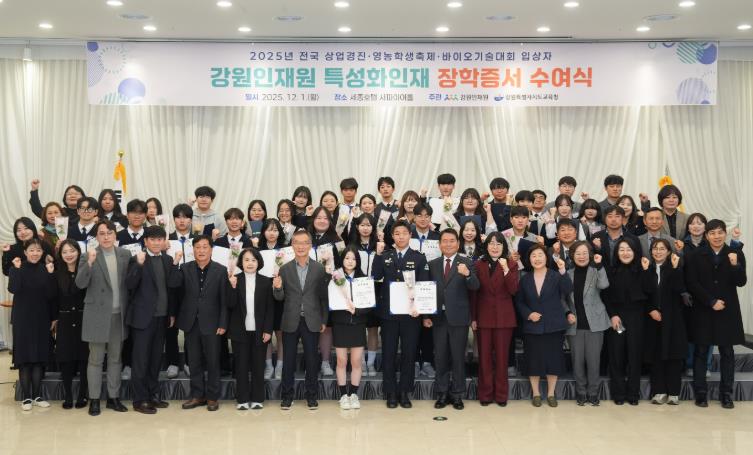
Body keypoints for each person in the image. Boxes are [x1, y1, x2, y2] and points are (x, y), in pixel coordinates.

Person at [686, 220, 747, 409]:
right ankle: (701, 393)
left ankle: (726, 394)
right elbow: (692, 282)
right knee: (701, 351)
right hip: (704, 309)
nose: (717, 236)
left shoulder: (735, 253)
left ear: (725, 234)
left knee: (727, 352)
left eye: (720, 232)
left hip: (727, 311)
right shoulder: (696, 255)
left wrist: (735, 265)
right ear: (706, 235)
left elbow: (741, 281)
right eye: (712, 233)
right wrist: (711, 301)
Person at [75, 219, 132, 416]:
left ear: (115, 235)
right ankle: (94, 399)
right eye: (102, 233)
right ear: (96, 237)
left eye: (109, 233)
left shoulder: (125, 254)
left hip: (118, 315)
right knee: (95, 359)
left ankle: (113, 398)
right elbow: (80, 283)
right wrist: (90, 263)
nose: (106, 237)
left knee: (115, 359)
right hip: (97, 315)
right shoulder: (88, 256)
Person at [125, 226, 182, 414]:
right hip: (142, 318)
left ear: (165, 241)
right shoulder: (137, 259)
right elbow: (129, 284)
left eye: (160, 239)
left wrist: (175, 264)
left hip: (162, 317)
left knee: (156, 359)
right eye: (153, 239)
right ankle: (139, 400)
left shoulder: (167, 259)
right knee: (141, 360)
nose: (157, 243)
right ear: (146, 241)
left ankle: (152, 395)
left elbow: (173, 287)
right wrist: (139, 265)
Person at [371, 220, 429, 408]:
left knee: (409, 354)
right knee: (388, 353)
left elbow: (424, 285)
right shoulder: (385, 255)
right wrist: (377, 255)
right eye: (397, 233)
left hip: (411, 315)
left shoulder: (419, 257)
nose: (401, 236)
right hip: (388, 314)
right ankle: (390, 392)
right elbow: (375, 276)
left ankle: (404, 392)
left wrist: (421, 310)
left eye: (404, 233)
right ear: (392, 236)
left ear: (410, 235)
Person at [273, 230, 329, 410]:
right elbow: (279, 298)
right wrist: (277, 288)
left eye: (305, 242)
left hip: (312, 320)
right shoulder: (284, 269)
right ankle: (287, 396)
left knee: (312, 361)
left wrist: (324, 320)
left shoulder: (319, 268)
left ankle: (311, 396)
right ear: (292, 245)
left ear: (310, 245)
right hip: (290, 320)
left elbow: (323, 297)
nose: (301, 246)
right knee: (288, 361)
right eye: (297, 242)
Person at [424, 229, 480, 410]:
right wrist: (426, 315)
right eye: (445, 241)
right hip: (438, 319)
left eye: (452, 241)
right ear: (439, 244)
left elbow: (475, 287)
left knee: (457, 358)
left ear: (458, 243)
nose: (448, 244)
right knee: (440, 357)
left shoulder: (467, 262)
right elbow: (427, 290)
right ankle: (442, 393)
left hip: (459, 318)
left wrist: (468, 274)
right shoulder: (432, 264)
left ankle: (457, 394)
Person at [515, 244, 574, 408]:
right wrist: (529, 314)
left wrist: (563, 270)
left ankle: (551, 394)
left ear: (546, 257)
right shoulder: (525, 279)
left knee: (553, 361)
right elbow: (519, 302)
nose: (537, 258)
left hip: (553, 325)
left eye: (540, 255)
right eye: (533, 256)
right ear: (529, 260)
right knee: (533, 361)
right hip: (532, 326)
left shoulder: (556, 275)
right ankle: (536, 394)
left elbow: (568, 289)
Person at [176, 235, 229, 412]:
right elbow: (176, 289)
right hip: (191, 322)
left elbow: (224, 300)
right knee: (194, 361)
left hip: (213, 323)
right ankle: (197, 395)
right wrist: (174, 264)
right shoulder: (185, 268)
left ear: (211, 249)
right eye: (198, 247)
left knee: (213, 361)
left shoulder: (220, 270)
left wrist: (223, 322)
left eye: (205, 247)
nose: (201, 250)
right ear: (193, 250)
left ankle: (212, 397)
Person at [603, 238, 655, 405]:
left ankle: (633, 394)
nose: (625, 253)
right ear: (617, 253)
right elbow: (605, 296)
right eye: (622, 250)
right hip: (617, 318)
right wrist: (612, 315)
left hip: (637, 318)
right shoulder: (610, 270)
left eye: (629, 249)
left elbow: (650, 290)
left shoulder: (643, 269)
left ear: (635, 251)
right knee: (616, 355)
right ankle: (618, 394)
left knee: (634, 355)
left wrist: (646, 270)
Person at [8, 238, 57, 411]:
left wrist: (51, 274)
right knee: (24, 359)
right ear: (25, 252)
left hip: (41, 318)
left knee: (39, 358)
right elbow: (13, 289)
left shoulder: (45, 269)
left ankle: (37, 396)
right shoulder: (17, 268)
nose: (35, 253)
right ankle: (26, 398)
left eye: (38, 250)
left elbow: (51, 295)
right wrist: (16, 269)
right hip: (22, 319)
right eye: (31, 250)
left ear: (42, 253)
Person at [470, 232, 519, 406]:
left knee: (502, 358)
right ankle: (485, 395)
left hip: (504, 318)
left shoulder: (511, 264)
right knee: (484, 358)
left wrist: (506, 269)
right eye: (491, 243)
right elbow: (474, 294)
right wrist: (473, 317)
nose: (495, 247)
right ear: (486, 246)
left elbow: (513, 289)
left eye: (499, 243)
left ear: (504, 246)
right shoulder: (478, 264)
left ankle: (501, 395)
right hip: (483, 317)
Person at [226, 248, 274, 410]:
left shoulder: (265, 282)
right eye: (246, 260)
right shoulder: (235, 279)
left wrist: (268, 330)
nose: (250, 263)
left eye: (253, 260)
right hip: (239, 330)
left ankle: (258, 398)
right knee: (241, 365)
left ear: (259, 262)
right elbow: (229, 304)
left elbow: (270, 309)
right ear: (241, 262)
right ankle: (242, 399)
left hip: (260, 331)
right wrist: (232, 287)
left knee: (258, 365)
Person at [564, 241, 610, 406]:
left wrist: (599, 266)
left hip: (595, 322)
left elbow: (604, 285)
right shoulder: (567, 274)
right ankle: (581, 392)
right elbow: (562, 297)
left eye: (584, 253)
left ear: (590, 255)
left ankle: (593, 393)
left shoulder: (595, 270)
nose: (581, 256)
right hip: (574, 324)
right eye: (578, 253)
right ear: (572, 256)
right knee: (577, 362)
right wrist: (567, 312)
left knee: (593, 361)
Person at [644, 239, 687, 406]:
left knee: (674, 356)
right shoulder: (647, 269)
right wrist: (651, 310)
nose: (658, 252)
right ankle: (659, 391)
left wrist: (676, 269)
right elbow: (644, 293)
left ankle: (674, 393)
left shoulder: (675, 268)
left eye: (662, 249)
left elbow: (680, 289)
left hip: (673, 319)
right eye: (655, 249)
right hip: (653, 319)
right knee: (657, 356)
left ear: (669, 252)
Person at [331, 247, 371, 410]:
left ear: (358, 261)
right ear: (342, 260)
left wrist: (357, 311)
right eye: (347, 258)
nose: (350, 261)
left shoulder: (364, 279)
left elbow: (369, 304)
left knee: (356, 360)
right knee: (341, 360)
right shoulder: (334, 277)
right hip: (340, 323)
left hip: (358, 324)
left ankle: (353, 394)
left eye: (353, 259)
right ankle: (343, 395)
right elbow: (329, 298)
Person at [54, 239, 89, 409]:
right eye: (65, 252)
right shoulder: (57, 273)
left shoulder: (86, 270)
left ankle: (82, 395)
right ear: (60, 255)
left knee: (84, 359)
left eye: (72, 251)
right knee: (66, 359)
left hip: (84, 319)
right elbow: (54, 298)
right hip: (65, 320)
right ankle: (68, 395)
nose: (69, 254)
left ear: (78, 252)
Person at [257, 218, 287, 379]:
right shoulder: (257, 251)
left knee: (281, 333)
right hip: (263, 295)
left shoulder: (286, 250)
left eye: (275, 230)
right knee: (265, 333)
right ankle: (268, 365)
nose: (272, 233)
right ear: (263, 232)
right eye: (269, 229)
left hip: (281, 295)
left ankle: (280, 365)